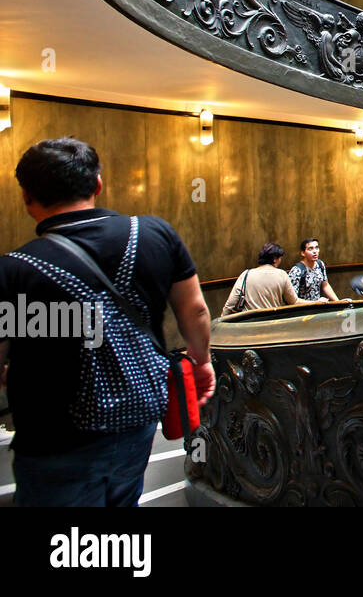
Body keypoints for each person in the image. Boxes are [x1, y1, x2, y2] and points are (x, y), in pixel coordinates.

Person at [0, 137, 213, 506]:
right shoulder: (155, 233)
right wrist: (203, 360)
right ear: (97, 184)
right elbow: (194, 310)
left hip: (53, 437)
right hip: (138, 416)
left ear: (26, 198)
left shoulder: (14, 269)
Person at [221, 242, 303, 315]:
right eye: (280, 258)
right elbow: (294, 301)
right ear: (275, 259)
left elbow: (230, 304)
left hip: (250, 323)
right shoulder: (282, 275)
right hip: (272, 322)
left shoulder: (246, 274)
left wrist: (221, 321)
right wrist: (314, 303)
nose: (280, 261)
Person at [287, 237, 338, 302]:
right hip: (303, 309)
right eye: (310, 249)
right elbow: (292, 299)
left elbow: (325, 285)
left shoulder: (320, 264)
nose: (315, 251)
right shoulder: (297, 270)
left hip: (317, 307)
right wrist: (314, 303)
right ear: (303, 253)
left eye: (316, 248)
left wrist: (338, 302)